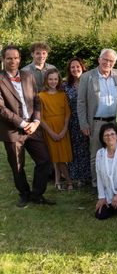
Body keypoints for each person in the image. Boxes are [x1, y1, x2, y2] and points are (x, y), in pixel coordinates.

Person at [0, 45, 53, 207]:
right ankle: (24, 194)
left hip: (33, 127)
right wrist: (22, 123)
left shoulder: (28, 76)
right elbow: (1, 108)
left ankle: (37, 195)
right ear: (3, 59)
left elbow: (37, 100)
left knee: (45, 160)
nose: (13, 61)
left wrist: (36, 121)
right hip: (13, 130)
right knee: (17, 166)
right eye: (9, 58)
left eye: (16, 58)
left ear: (20, 59)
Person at [77, 48, 117, 187]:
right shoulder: (87, 77)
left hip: (116, 121)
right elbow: (81, 102)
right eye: (105, 59)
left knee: (116, 152)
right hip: (97, 122)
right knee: (96, 154)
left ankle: (115, 182)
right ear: (99, 59)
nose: (108, 63)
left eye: (111, 61)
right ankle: (97, 184)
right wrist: (84, 124)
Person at [38, 68, 73, 191]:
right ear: (46, 80)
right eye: (50, 79)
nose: (53, 81)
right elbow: (40, 118)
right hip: (49, 128)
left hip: (62, 128)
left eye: (55, 79)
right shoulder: (41, 96)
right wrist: (51, 132)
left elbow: (67, 113)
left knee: (61, 156)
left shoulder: (62, 94)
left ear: (59, 80)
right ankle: (69, 182)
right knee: (56, 157)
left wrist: (64, 129)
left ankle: (58, 181)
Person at [63, 57, 92, 186]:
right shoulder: (65, 85)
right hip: (73, 121)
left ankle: (90, 176)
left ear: (82, 67)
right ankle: (78, 177)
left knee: (88, 148)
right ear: (69, 70)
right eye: (72, 67)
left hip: (88, 119)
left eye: (77, 67)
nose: (75, 69)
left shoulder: (90, 82)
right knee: (76, 149)